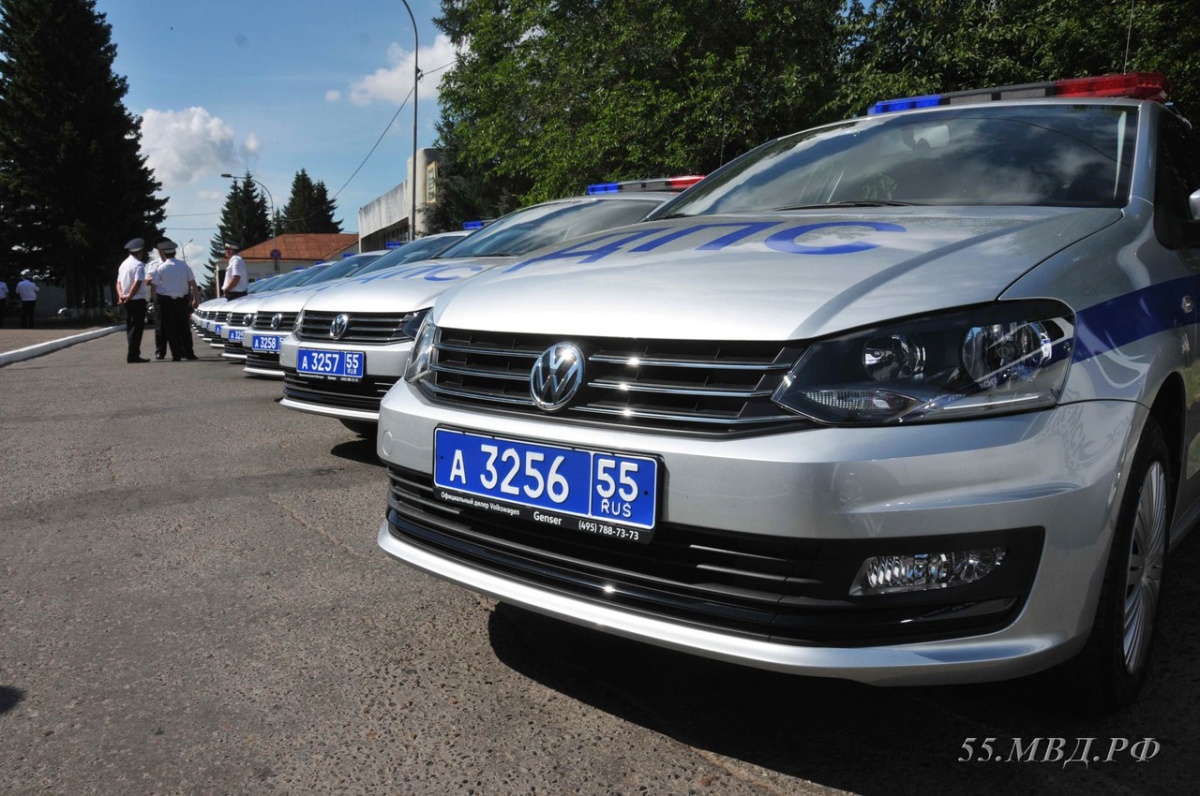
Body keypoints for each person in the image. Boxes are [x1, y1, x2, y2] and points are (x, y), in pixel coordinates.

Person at [148, 239, 199, 361]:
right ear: (175, 252)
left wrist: (156, 302)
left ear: (164, 253)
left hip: (166, 302)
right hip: (182, 302)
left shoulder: (160, 268)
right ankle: (189, 353)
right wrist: (196, 300)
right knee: (185, 329)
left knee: (171, 329)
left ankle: (176, 355)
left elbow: (153, 288)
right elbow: (193, 284)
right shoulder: (184, 266)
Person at [116, 237, 150, 363]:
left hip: (126, 301)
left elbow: (118, 283)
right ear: (139, 252)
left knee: (130, 327)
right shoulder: (138, 265)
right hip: (136, 300)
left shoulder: (123, 264)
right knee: (137, 328)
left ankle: (133, 353)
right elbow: (137, 283)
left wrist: (121, 296)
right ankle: (133, 355)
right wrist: (129, 296)